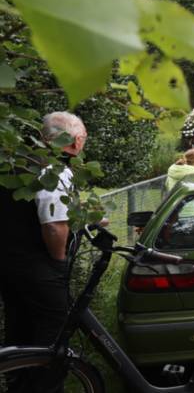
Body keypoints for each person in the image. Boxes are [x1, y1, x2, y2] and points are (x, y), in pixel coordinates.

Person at [0, 112, 87, 392]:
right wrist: (59, 262)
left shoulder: (16, 163)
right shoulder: (56, 169)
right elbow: (54, 226)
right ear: (75, 141)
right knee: (54, 337)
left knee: (21, 328)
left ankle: (17, 382)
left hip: (9, 262)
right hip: (38, 266)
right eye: (83, 138)